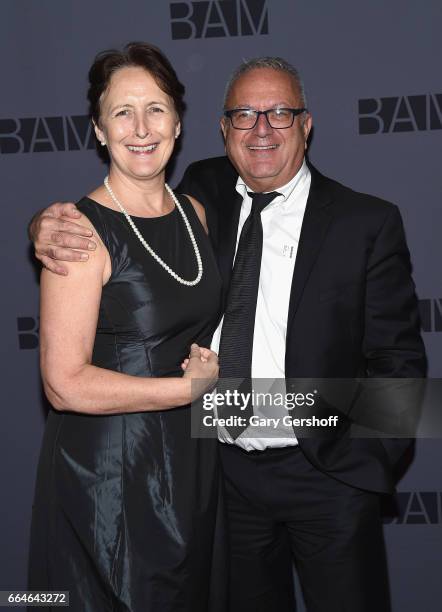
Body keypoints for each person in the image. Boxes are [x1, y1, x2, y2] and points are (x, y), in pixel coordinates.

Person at [30, 57, 426, 612]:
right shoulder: (202, 195)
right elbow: (120, 214)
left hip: (327, 477)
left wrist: (363, 469)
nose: (261, 129)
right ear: (221, 129)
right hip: (222, 476)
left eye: (280, 113)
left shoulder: (367, 221)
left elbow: (399, 362)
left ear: (306, 125)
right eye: (244, 115)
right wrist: (43, 226)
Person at [28, 42, 227, 612]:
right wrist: (184, 391)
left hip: (188, 464)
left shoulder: (195, 214)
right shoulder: (77, 232)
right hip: (111, 474)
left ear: (179, 120)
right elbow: (62, 383)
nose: (141, 128)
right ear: (98, 129)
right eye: (121, 112)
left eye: (156, 109)